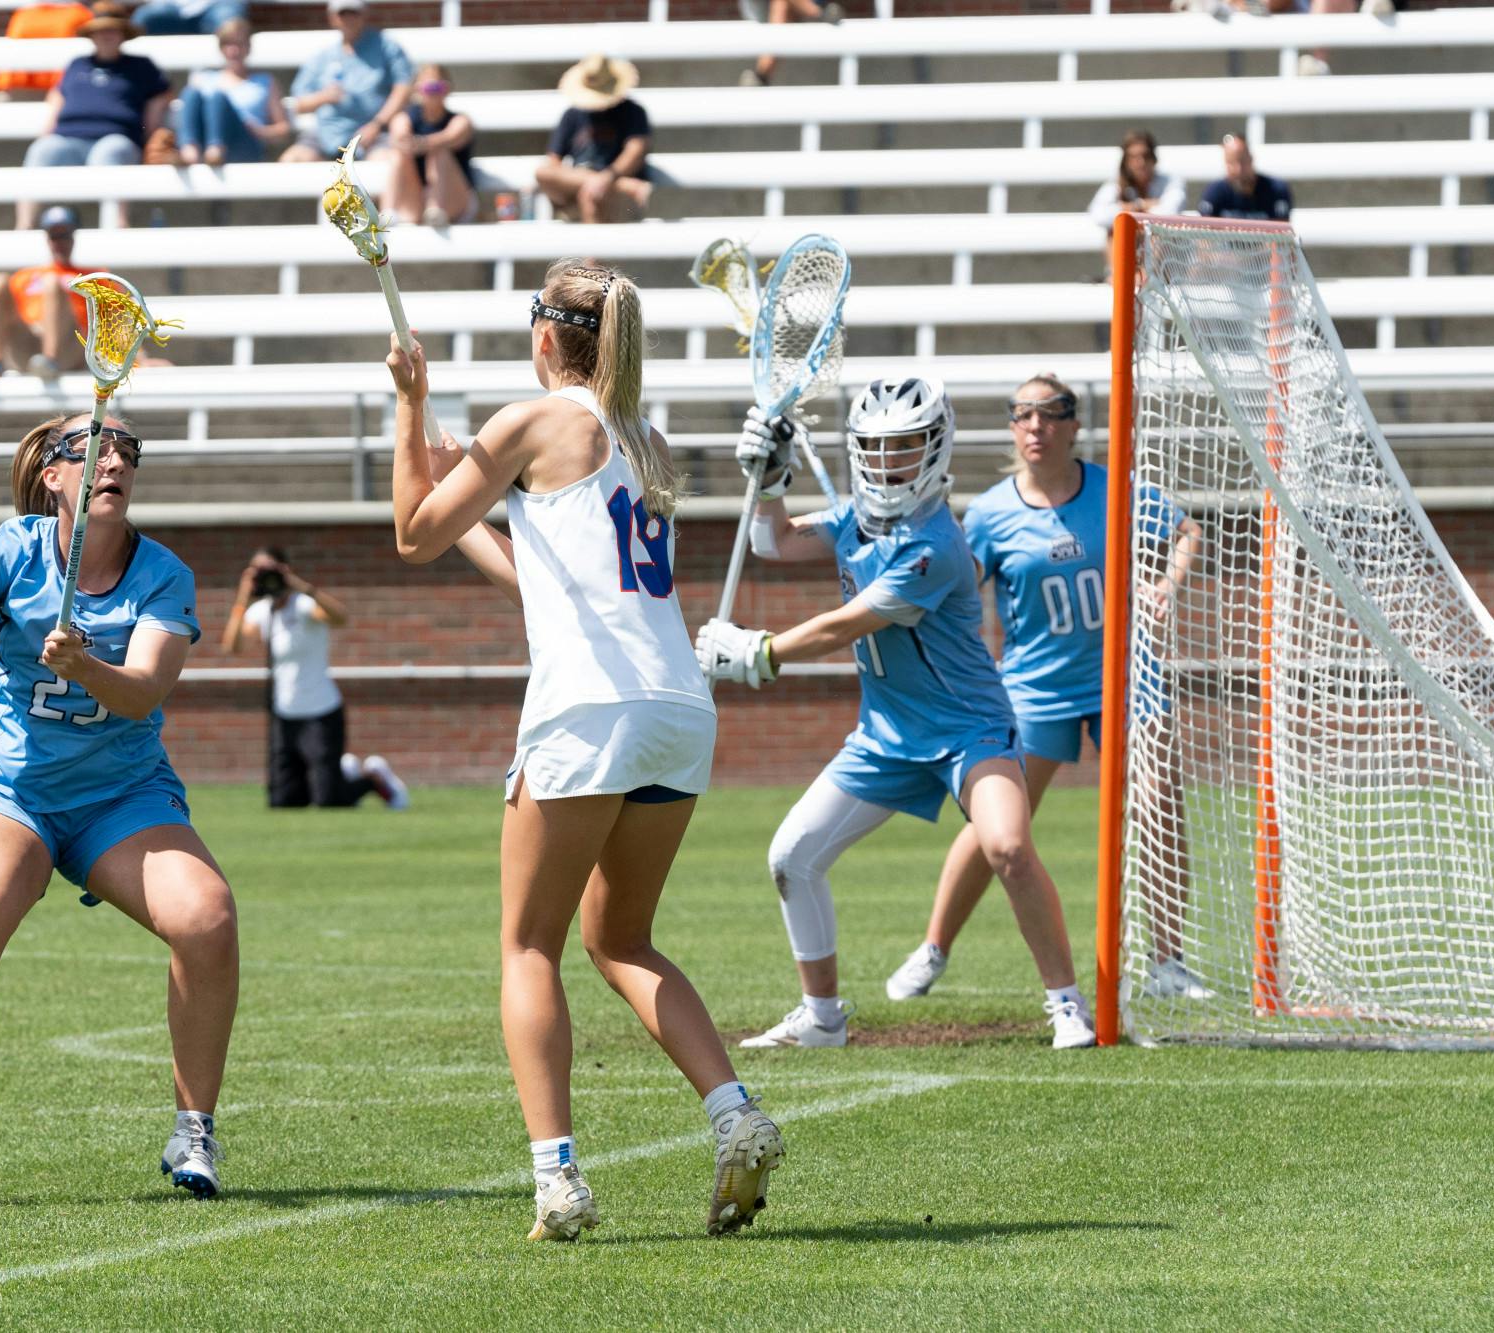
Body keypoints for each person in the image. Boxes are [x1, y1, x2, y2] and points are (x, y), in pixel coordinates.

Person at [385, 259, 785, 1240]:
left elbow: (406, 532)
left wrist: (411, 408)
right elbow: (540, 573)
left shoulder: (530, 422)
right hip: (674, 709)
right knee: (622, 939)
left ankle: (555, 1178)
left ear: (545, 334)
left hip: (583, 711)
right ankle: (736, 1113)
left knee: (529, 943)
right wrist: (467, 490)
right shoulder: (644, 439)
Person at [0, 411, 237, 1208]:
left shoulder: (163, 575)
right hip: (10, 787)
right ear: (53, 476)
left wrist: (84, 665)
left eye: (126, 451)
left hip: (121, 792)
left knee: (208, 917)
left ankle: (194, 1128)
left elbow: (144, 689)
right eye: (93, 449)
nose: (114, 460)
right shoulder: (15, 546)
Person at [694, 377, 1099, 1050]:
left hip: (968, 729)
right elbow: (774, 541)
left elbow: (845, 624)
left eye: (905, 446)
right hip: (885, 737)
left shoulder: (934, 544)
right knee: (791, 857)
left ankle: (1065, 1003)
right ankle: (822, 1016)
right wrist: (768, 482)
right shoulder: (854, 518)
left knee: (1008, 846)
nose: (888, 462)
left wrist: (759, 652)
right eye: (876, 448)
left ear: (936, 449)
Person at [883, 375, 1210, 1007]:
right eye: (1022, 415)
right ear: (1012, 427)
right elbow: (955, 584)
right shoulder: (991, 513)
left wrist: (1166, 586)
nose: (1035, 426)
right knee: (996, 825)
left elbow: (1186, 532)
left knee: (1159, 801)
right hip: (1035, 687)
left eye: (1050, 414)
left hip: (1125, 676)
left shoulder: (1116, 490)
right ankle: (933, 948)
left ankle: (1168, 961)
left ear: (1072, 424)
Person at [219, 546, 407, 810]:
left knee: (329, 801)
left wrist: (301, 586)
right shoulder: (263, 611)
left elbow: (339, 617)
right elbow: (232, 646)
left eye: (269, 569)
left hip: (321, 712)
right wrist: (243, 596)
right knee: (284, 802)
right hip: (284, 715)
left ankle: (372, 779)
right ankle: (340, 773)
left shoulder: (304, 605)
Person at [16, 2, 169, 230]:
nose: (106, 35)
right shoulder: (77, 65)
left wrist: (152, 131)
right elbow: (57, 95)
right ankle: (24, 227)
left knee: (109, 153)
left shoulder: (141, 67)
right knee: (42, 150)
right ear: (92, 34)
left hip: (117, 139)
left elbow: (162, 94)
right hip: (69, 139)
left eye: (112, 29)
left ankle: (116, 225)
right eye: (101, 29)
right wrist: (47, 131)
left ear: (122, 34)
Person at [278, 0, 413, 165]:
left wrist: (377, 124)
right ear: (332, 18)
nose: (348, 19)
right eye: (343, 14)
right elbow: (299, 104)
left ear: (365, 14)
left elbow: (403, 88)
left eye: (354, 13)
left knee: (387, 164)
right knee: (291, 160)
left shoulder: (386, 47)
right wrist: (324, 97)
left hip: (374, 135)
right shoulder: (323, 56)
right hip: (325, 136)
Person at [0, 204, 91, 382]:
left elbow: (117, 319)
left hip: (72, 347)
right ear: (47, 239)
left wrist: (137, 358)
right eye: (54, 236)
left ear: (73, 237)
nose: (60, 243)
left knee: (51, 284)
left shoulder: (94, 276)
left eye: (64, 236)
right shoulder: (26, 277)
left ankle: (51, 358)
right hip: (27, 346)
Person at [535, 55, 653, 225]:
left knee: (591, 194)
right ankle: (620, 184)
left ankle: (592, 252)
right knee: (543, 173)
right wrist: (594, 180)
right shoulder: (572, 115)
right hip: (588, 186)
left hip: (616, 195)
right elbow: (553, 162)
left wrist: (608, 177)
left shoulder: (633, 112)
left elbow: (636, 151)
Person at [175, 16, 289, 167]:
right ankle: (190, 151)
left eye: (239, 44)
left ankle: (216, 150)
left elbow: (283, 130)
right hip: (204, 144)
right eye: (228, 44)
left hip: (245, 143)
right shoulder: (204, 78)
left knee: (218, 98)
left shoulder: (264, 82)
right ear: (221, 48)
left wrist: (260, 131)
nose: (234, 50)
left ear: (248, 47)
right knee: (191, 93)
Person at [382, 62, 473, 228]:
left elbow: (449, 137)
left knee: (440, 152)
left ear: (447, 89)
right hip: (415, 201)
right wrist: (410, 142)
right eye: (428, 89)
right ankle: (388, 212)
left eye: (438, 88)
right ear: (417, 90)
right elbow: (399, 136)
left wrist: (418, 143)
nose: (433, 94)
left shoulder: (460, 121)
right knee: (397, 155)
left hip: (453, 201)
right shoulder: (405, 118)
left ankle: (435, 209)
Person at [1088, 129, 1185, 237]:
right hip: (1131, 246)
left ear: (1154, 158)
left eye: (1145, 156)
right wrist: (1140, 206)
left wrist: (1128, 209)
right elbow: (1099, 216)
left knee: (1158, 234)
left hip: (1163, 249)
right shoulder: (1116, 184)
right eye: (1133, 157)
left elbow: (1169, 215)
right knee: (1114, 232)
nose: (1140, 163)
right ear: (1126, 162)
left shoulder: (1171, 181)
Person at [0, 1, 92, 100]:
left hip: (64, 90)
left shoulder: (79, 14)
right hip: (23, 88)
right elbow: (11, 48)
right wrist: (3, 87)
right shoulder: (24, 14)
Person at [737, 0, 846, 89]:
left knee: (781, 4)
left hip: (793, 12)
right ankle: (820, 13)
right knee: (781, 4)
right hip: (761, 9)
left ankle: (761, 77)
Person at [1198, 133, 1292, 222]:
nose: (1238, 169)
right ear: (1225, 163)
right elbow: (1204, 235)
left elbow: (1281, 234)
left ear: (1251, 158)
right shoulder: (1214, 192)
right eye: (1231, 162)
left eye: (1242, 161)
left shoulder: (1276, 191)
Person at [134, 0, 246, 35]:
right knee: (143, 17)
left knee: (231, 27)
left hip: (216, 5)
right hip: (172, 7)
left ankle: (233, 78)